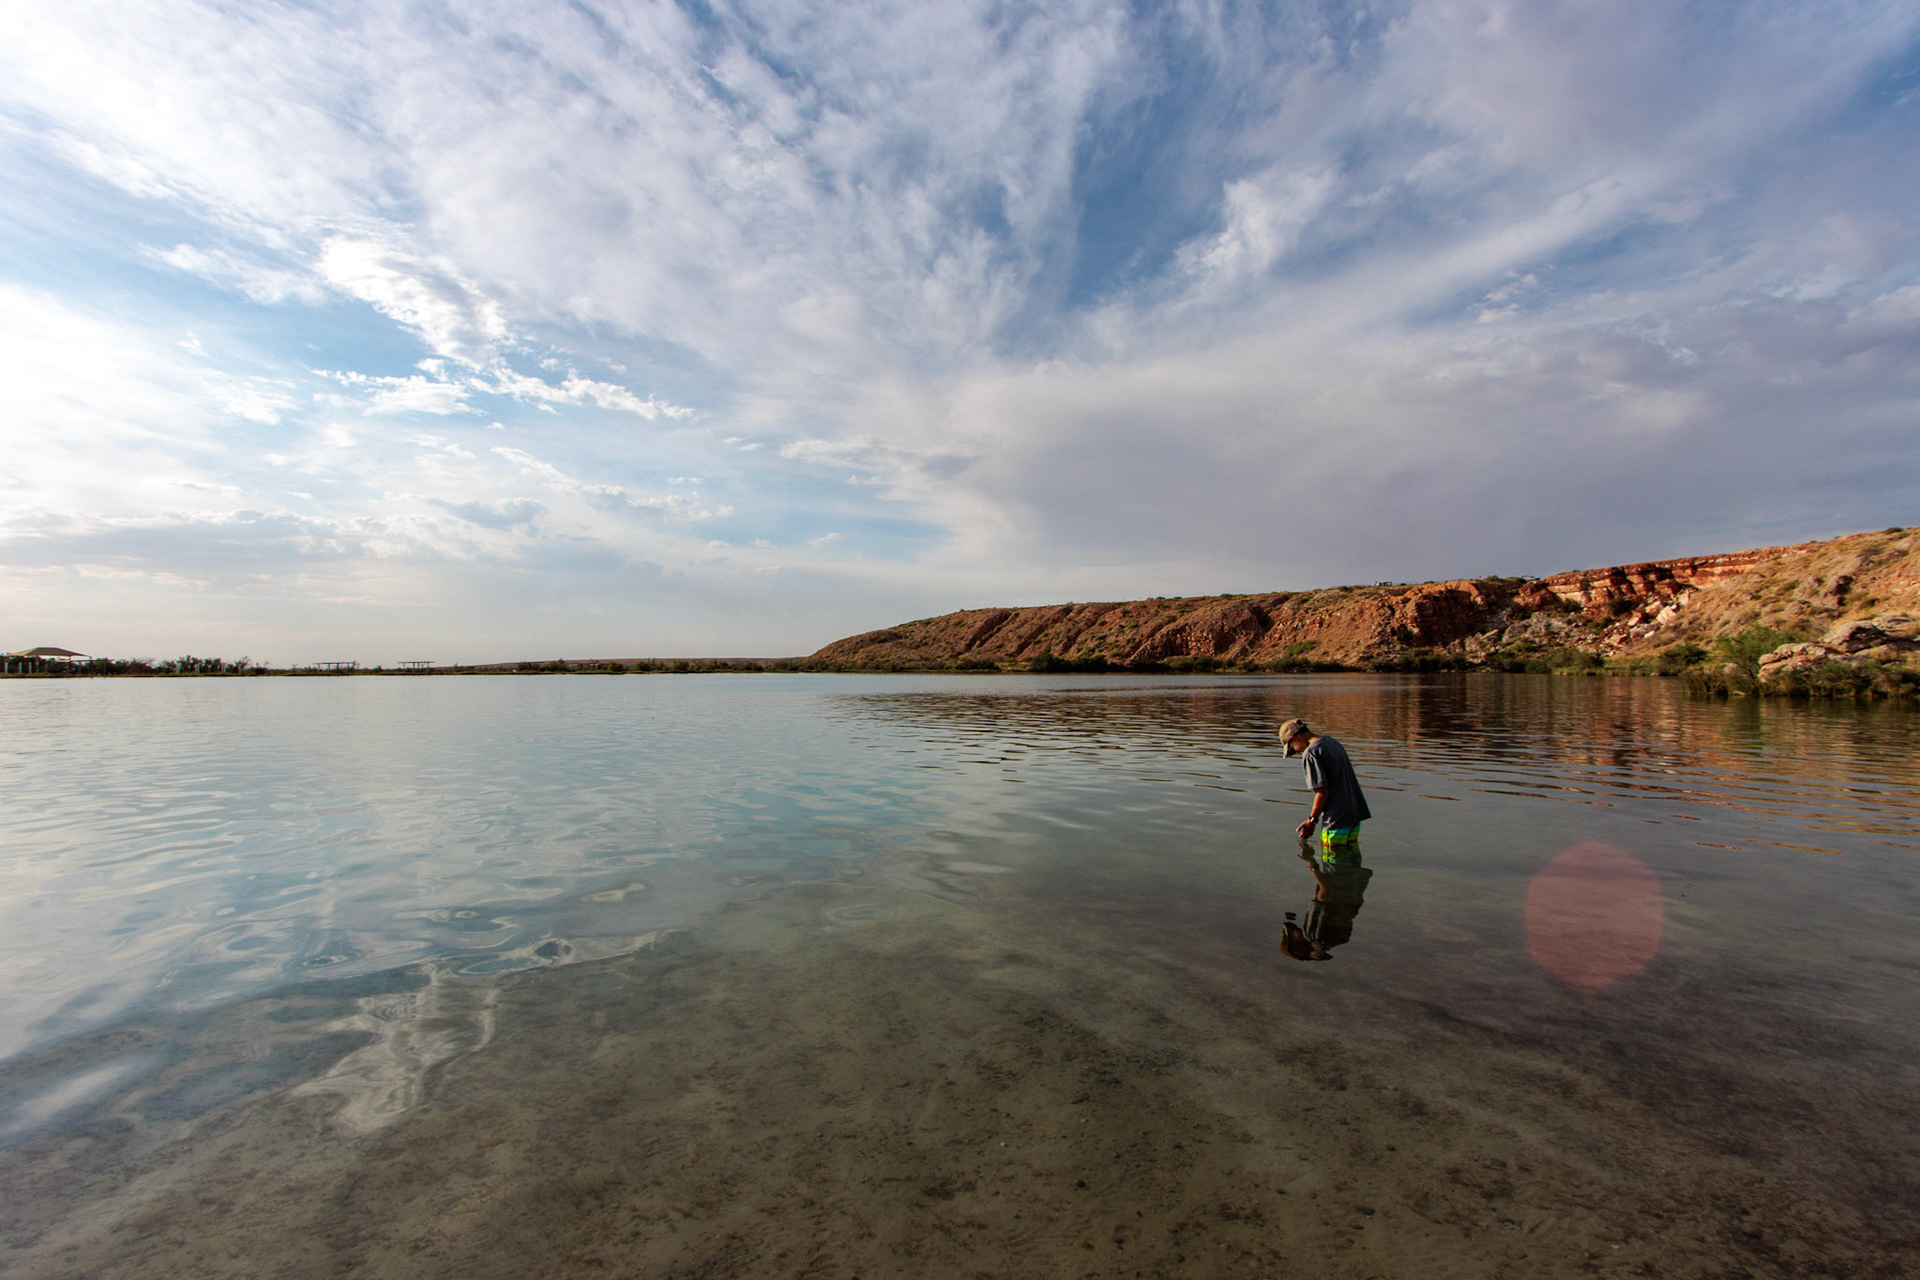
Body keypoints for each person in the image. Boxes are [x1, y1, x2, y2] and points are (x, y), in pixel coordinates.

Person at [1277, 717, 1371, 846]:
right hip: (1354, 817)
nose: (1298, 752)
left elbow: (1322, 792)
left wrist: (1312, 821)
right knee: (1351, 858)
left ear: (1294, 739)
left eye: (1293, 748)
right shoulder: (1331, 742)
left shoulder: (1311, 753)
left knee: (1332, 861)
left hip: (1336, 820)